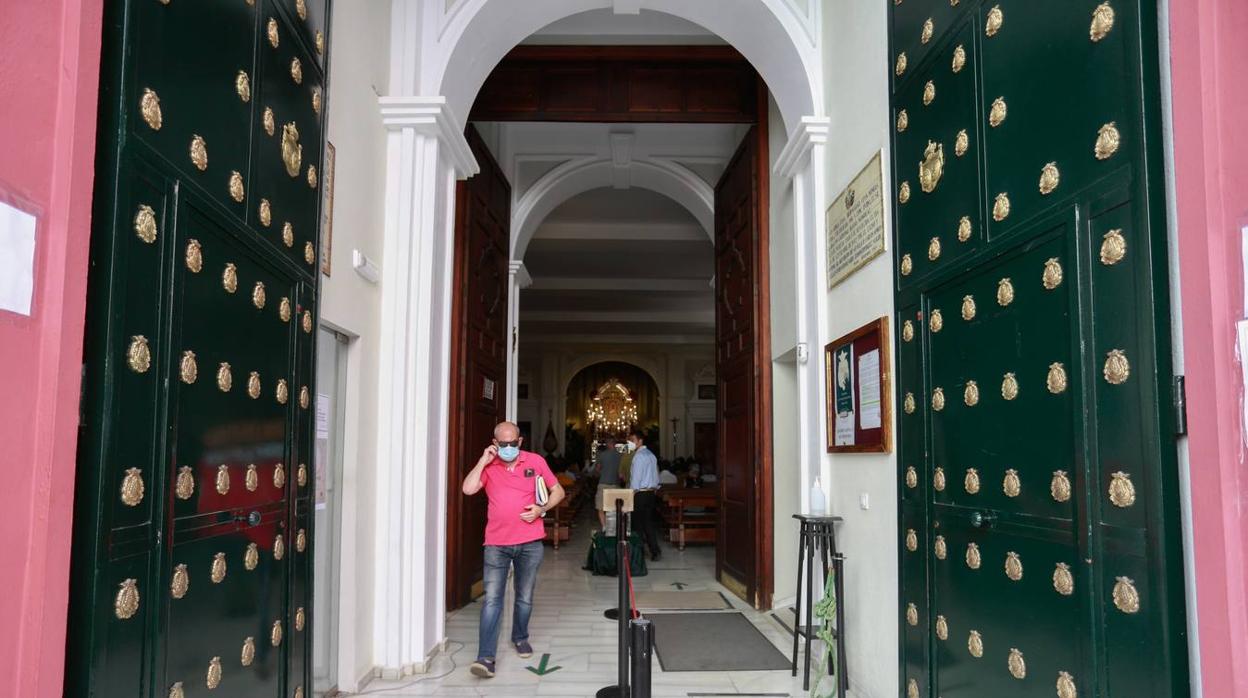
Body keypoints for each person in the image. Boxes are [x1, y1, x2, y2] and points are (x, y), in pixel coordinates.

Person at [461, 421, 566, 679]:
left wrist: (541, 509)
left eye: (513, 443)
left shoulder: (535, 462)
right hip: (497, 544)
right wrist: (482, 461)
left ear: (520, 442)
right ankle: (485, 657)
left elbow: (558, 491)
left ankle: (520, 637)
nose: (508, 448)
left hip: (530, 543)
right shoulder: (489, 466)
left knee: (525, 596)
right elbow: (468, 488)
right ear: (495, 443)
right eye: (503, 444)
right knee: (493, 599)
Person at [627, 428, 662, 561]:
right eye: (629, 441)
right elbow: (656, 476)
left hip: (640, 494)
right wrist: (655, 488)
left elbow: (635, 480)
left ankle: (638, 553)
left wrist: (630, 494)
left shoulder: (638, 457)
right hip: (651, 493)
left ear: (640, 441)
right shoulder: (651, 455)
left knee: (637, 524)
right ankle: (655, 551)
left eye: (632, 440)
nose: (630, 443)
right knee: (648, 522)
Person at [595, 437, 624, 530]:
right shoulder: (620, 455)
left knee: (600, 507)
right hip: (616, 484)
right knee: (615, 507)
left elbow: (597, 469)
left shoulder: (602, 455)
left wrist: (603, 473)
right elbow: (622, 472)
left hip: (603, 483)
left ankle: (604, 526)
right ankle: (614, 526)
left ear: (607, 444)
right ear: (615, 444)